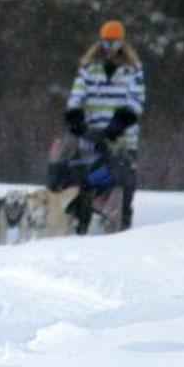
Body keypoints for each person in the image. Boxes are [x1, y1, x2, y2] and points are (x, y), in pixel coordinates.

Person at [56, 18, 145, 231]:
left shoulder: (133, 69)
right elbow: (77, 96)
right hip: (91, 137)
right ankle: (78, 225)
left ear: (122, 44)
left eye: (114, 43)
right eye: (106, 43)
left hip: (121, 139)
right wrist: (77, 122)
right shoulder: (89, 68)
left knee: (122, 184)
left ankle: (119, 228)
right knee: (82, 180)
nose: (109, 49)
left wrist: (117, 125)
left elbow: (136, 101)